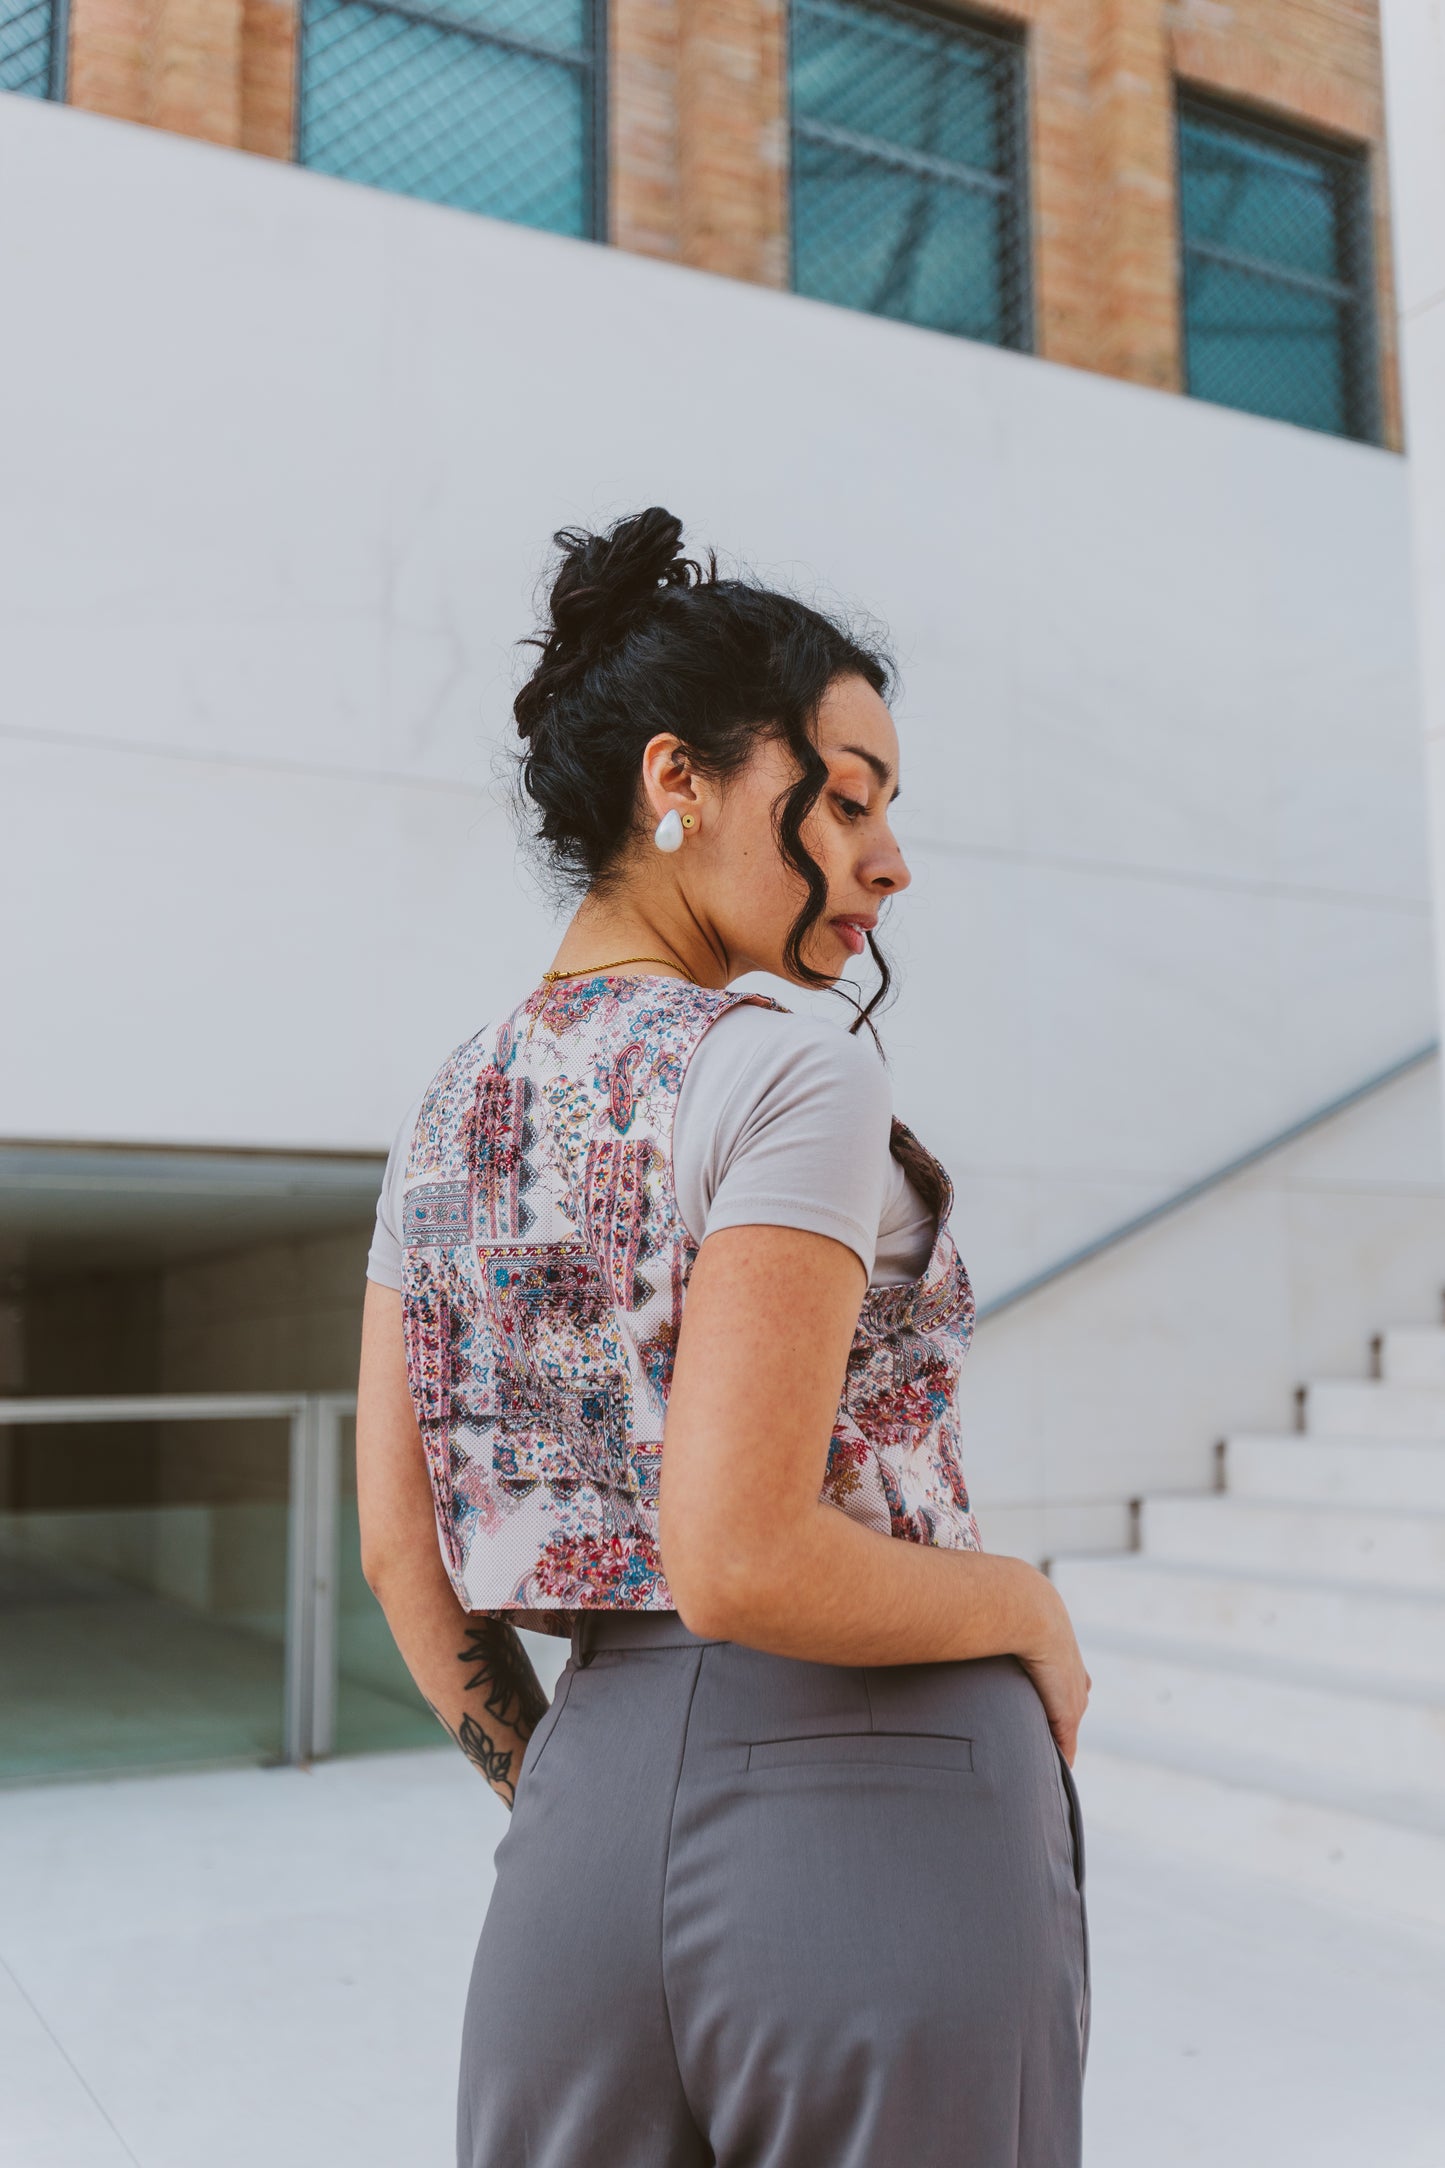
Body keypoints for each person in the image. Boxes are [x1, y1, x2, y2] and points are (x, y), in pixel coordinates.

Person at [356, 506, 1092, 2168]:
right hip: (883, 1796)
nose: (890, 858)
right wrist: (1027, 1611)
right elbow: (745, 1557)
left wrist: (570, 1802)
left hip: (583, 1825)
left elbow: (403, 1551)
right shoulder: (788, 1067)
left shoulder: (445, 1109)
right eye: (847, 796)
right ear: (676, 781)